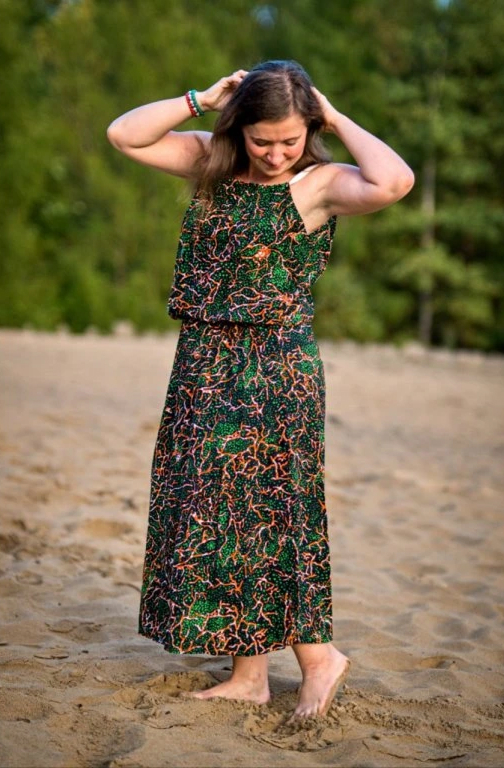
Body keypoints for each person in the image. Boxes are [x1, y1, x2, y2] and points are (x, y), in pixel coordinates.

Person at [107, 60, 414, 719]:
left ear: (309, 131)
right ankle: (250, 675)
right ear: (239, 128)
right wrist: (200, 97)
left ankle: (319, 658)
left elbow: (395, 180)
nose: (276, 155)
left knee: (272, 513)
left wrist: (335, 118)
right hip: (204, 362)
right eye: (262, 140)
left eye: (291, 140)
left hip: (273, 369)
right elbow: (123, 135)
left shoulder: (318, 184)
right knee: (220, 514)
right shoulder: (210, 164)